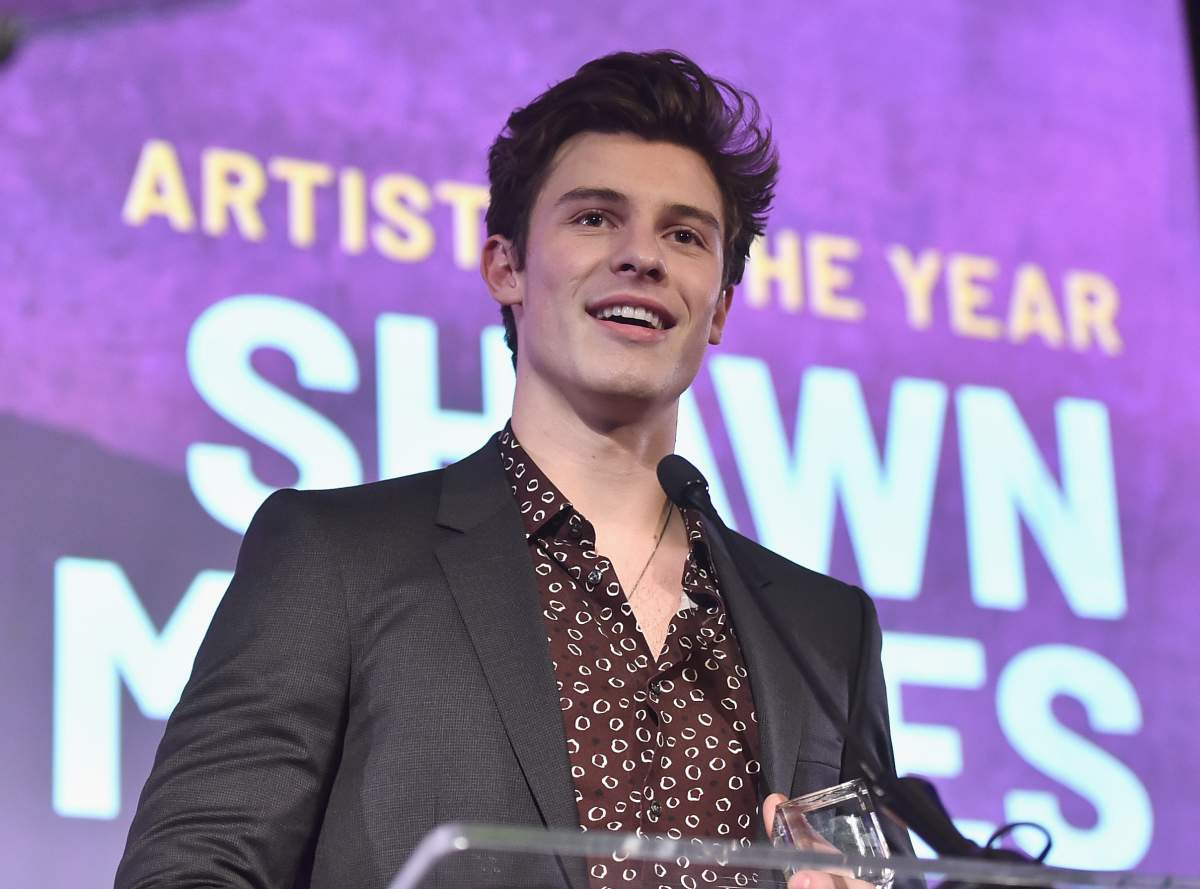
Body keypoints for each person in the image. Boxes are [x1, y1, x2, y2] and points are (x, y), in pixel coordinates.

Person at [115, 50, 911, 889]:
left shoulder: (827, 635)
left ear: (718, 306)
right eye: (596, 218)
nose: (643, 256)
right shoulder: (337, 557)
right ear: (506, 266)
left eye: (684, 234)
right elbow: (191, 870)